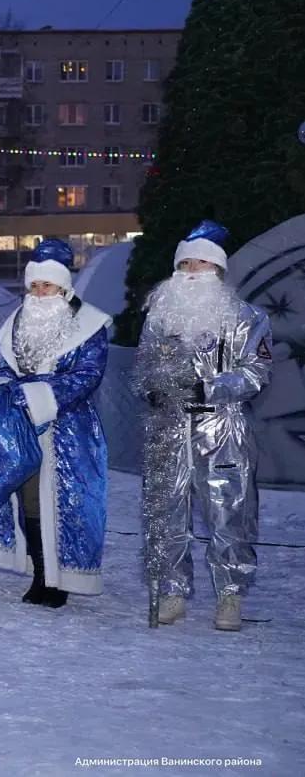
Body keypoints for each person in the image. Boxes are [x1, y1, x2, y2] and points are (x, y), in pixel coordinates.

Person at [133, 220, 272, 632]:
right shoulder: (159, 317)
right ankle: (172, 591)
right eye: (186, 263)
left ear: (219, 271)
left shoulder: (248, 318)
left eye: (202, 264)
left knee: (230, 513)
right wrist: (153, 390)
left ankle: (230, 594)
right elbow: (142, 368)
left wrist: (207, 387)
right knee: (168, 512)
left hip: (223, 430)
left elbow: (257, 373)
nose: (192, 272)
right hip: (169, 430)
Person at [0, 239, 112, 607]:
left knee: (63, 505)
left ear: (63, 286)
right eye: (34, 286)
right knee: (28, 501)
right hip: (21, 425)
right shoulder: (17, 321)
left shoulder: (89, 324)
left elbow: (87, 375)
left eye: (47, 286)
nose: (39, 293)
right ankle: (41, 574)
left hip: (67, 429)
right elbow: (5, 365)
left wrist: (39, 394)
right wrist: (6, 386)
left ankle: (59, 581)